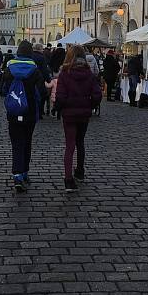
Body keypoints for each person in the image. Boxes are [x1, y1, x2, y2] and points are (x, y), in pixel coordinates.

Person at [55, 45, 102, 191]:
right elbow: (97, 95)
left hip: (69, 114)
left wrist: (58, 108)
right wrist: (90, 105)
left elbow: (60, 96)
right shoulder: (89, 73)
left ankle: (69, 180)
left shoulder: (65, 73)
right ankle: (80, 172)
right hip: (84, 114)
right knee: (80, 143)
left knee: (70, 146)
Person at [1, 40, 44, 193]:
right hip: (30, 113)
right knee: (27, 142)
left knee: (17, 143)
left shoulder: (9, 69)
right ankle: (25, 172)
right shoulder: (35, 70)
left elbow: (3, 90)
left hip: (14, 112)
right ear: (30, 53)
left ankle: (17, 175)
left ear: (18, 52)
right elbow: (41, 94)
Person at [32, 44, 51, 119]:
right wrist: (48, 79)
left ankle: (33, 111)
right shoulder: (41, 57)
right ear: (39, 49)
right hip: (40, 79)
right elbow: (44, 70)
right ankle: (39, 112)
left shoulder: (31, 56)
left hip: (31, 79)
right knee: (41, 96)